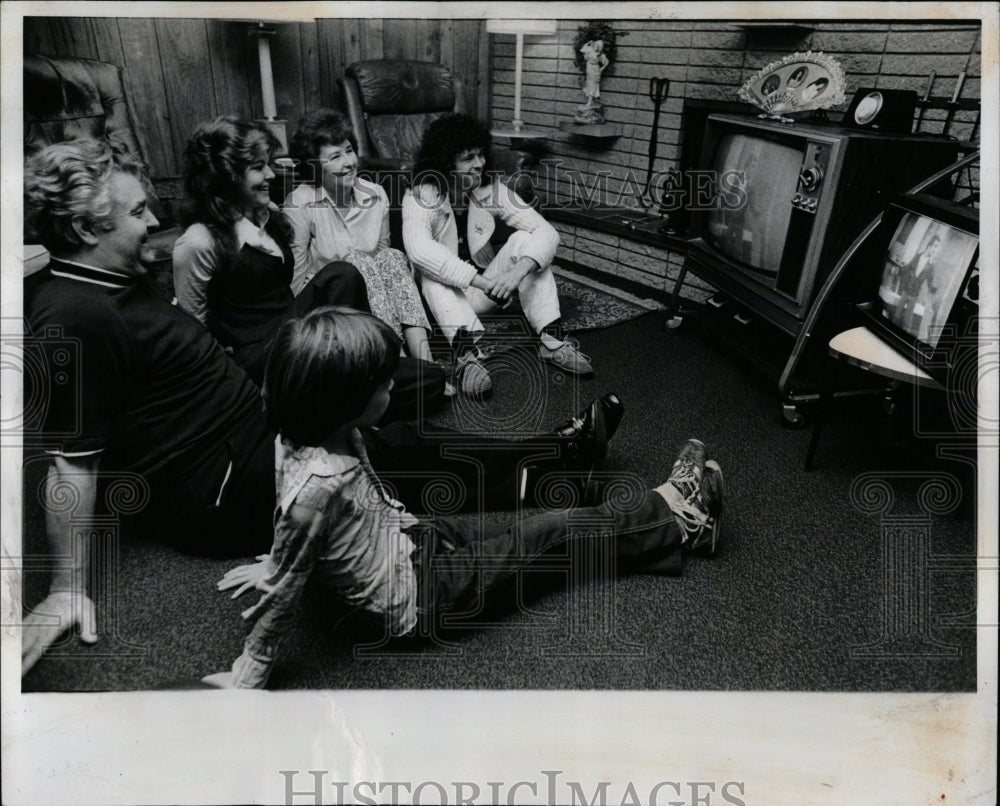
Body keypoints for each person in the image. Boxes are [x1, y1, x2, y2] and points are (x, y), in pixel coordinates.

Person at [20, 139, 621, 675]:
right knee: (386, 452)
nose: (153, 220)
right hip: (220, 482)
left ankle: (553, 459)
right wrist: (65, 588)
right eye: (135, 212)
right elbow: (71, 463)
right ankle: (561, 462)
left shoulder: (107, 282)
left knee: (383, 416)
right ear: (82, 229)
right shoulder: (72, 316)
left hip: (246, 427)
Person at [202, 308, 724, 689]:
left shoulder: (305, 433)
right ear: (341, 403)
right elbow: (288, 583)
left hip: (411, 540)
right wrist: (250, 671)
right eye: (382, 382)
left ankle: (638, 520)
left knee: (533, 524)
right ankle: (680, 515)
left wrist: (275, 559)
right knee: (549, 536)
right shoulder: (315, 487)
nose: (393, 386)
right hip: (419, 599)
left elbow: (291, 540)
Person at [172, 115, 446, 420]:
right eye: (257, 167)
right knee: (343, 273)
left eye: (269, 164)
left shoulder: (268, 215)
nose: (271, 175)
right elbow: (192, 332)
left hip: (300, 333)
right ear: (226, 176)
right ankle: (332, 401)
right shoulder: (198, 241)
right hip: (261, 355)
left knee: (429, 379)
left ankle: (331, 401)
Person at [402, 113, 593, 396]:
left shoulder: (488, 189)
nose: (479, 164)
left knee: (525, 241)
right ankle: (468, 359)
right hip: (438, 302)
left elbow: (548, 234)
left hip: (482, 292)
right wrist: (481, 282)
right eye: (467, 158)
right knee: (433, 270)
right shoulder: (421, 193)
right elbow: (419, 251)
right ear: (444, 161)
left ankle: (551, 341)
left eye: (480, 154)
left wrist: (516, 272)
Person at [282, 109, 447, 389]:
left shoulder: (375, 194)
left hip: (374, 300)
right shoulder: (300, 203)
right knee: (359, 262)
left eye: (349, 150)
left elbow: (384, 260)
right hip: (330, 302)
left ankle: (423, 362)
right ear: (315, 166)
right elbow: (296, 282)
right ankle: (399, 363)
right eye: (335, 157)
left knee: (392, 256)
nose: (348, 162)